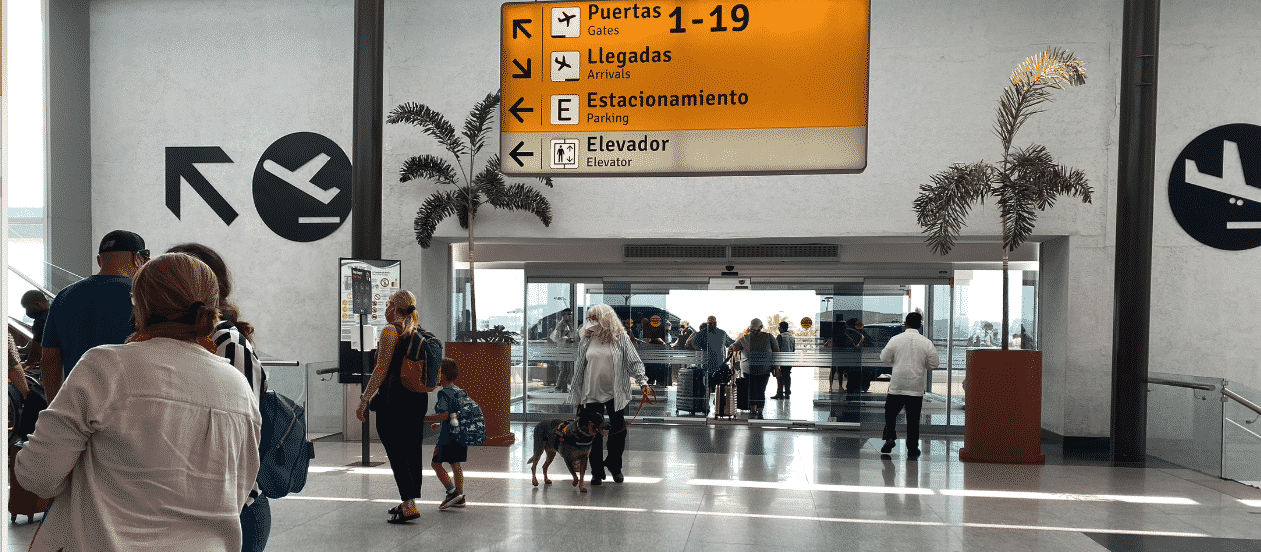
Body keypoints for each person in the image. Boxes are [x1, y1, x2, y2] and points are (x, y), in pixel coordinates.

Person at [16, 253, 261, 551]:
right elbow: (240, 489)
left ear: (139, 304)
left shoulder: (105, 366)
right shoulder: (237, 385)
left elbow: (37, 476)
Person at [167, 242, 270, 551]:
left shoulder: (227, 341)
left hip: (232, 510)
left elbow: (241, 434)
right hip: (193, 507)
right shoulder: (177, 342)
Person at [40, 230, 149, 403]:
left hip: (77, 405)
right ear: (138, 258)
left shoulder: (64, 296)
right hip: (129, 405)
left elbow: (50, 359)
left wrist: (54, 405)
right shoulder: (143, 296)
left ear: (99, 260)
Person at [356, 290, 436, 524]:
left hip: (394, 399)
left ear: (393, 306)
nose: (385, 308)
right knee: (411, 449)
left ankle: (409, 503)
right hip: (417, 399)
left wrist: (364, 399)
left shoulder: (392, 330)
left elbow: (381, 369)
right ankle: (409, 499)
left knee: (396, 450)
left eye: (387, 304)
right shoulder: (418, 331)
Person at [567, 304, 651, 486]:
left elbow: (634, 361)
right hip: (591, 393)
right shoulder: (587, 339)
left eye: (594, 318)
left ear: (605, 318)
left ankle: (614, 465)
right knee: (593, 434)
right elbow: (580, 366)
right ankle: (596, 471)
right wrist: (576, 392)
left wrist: (643, 382)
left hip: (616, 392)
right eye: (589, 318)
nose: (590, 322)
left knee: (618, 431)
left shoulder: (620, 338)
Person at [878, 312, 940, 457]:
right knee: (913, 419)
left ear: (906, 323)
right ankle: (912, 448)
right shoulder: (926, 342)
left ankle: (890, 437)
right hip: (915, 387)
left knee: (890, 415)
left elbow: (884, 358)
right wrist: (922, 363)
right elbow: (934, 364)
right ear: (920, 325)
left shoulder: (895, 340)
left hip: (897, 386)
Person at [426, 359, 468, 510]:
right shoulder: (458, 390)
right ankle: (460, 495)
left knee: (436, 464)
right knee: (455, 464)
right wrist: (442, 423)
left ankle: (451, 492)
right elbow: (455, 414)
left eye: (436, 372)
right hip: (460, 434)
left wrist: (424, 418)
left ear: (442, 376)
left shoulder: (444, 393)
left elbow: (444, 415)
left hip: (448, 437)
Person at [730, 318, 779, 419]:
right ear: (761, 327)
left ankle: (754, 410)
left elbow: (735, 347)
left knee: (752, 390)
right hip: (759, 369)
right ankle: (758, 411)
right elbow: (776, 351)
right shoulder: (768, 337)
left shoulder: (746, 338)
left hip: (753, 369)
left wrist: (776, 366)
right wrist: (776, 366)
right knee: (759, 390)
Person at [687, 315, 734, 390]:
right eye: (711, 323)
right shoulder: (722, 333)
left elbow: (693, 343)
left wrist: (699, 350)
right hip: (717, 365)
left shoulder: (702, 333)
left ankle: (710, 400)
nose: (712, 325)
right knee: (718, 388)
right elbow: (731, 345)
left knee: (707, 388)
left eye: (713, 323)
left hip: (708, 365)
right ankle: (718, 400)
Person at [20, 290, 50, 371]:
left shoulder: (41, 321)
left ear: (37, 304)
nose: (27, 312)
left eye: (27, 308)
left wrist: (26, 364)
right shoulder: (57, 312)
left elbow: (36, 352)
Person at [549, 308, 576, 392]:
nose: (570, 316)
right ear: (564, 315)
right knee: (563, 370)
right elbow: (555, 338)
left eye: (571, 314)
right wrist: (566, 340)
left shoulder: (569, 324)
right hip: (562, 350)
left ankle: (563, 388)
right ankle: (558, 387)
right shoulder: (560, 324)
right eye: (568, 314)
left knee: (566, 370)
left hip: (567, 350)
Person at [771, 321, 796, 399]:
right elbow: (793, 349)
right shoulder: (792, 337)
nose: (779, 329)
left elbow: (776, 349)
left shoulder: (780, 337)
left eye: (779, 328)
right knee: (787, 375)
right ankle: (787, 393)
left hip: (781, 359)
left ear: (781, 328)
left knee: (780, 376)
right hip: (790, 359)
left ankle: (780, 393)